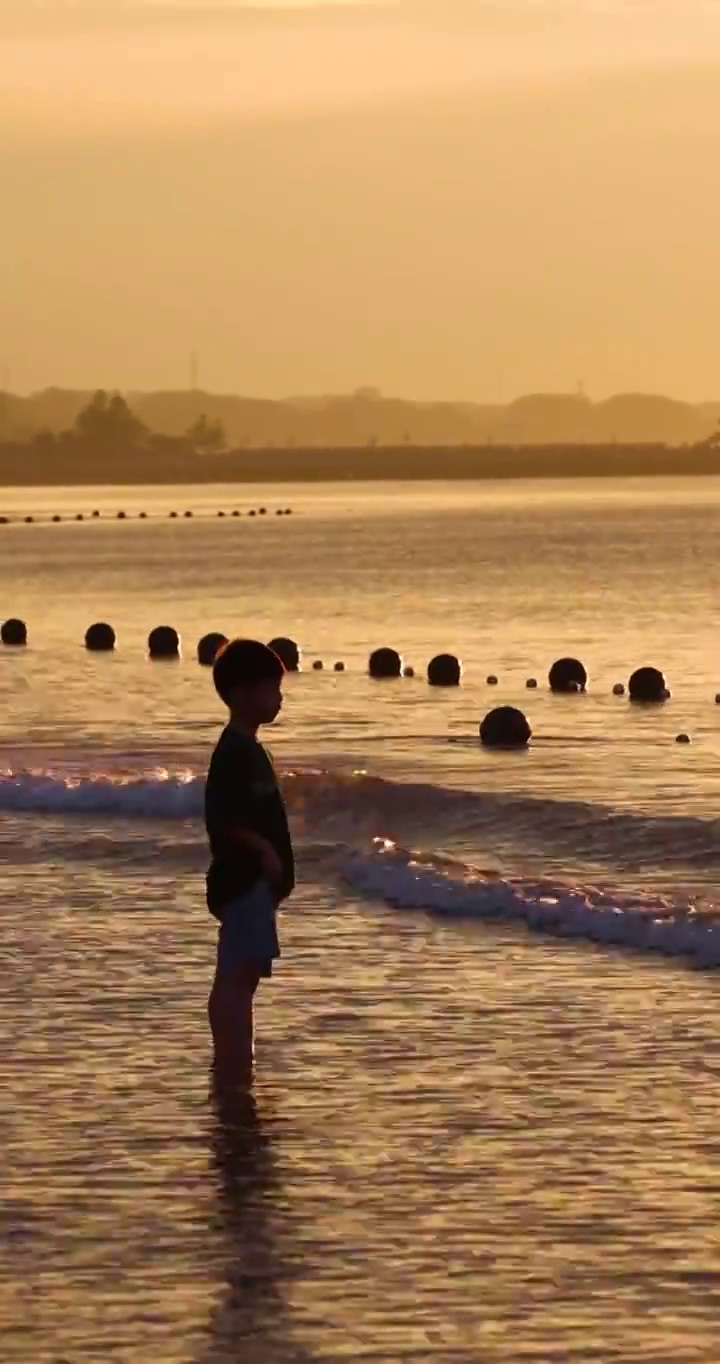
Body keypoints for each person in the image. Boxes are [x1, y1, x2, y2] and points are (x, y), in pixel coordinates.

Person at [205, 639, 295, 1082]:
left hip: (255, 883)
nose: (279, 699)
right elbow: (225, 821)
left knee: (245, 974)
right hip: (243, 880)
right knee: (237, 974)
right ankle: (233, 1060)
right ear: (242, 694)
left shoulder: (250, 749)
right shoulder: (233, 753)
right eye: (271, 689)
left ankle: (238, 1056)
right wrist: (263, 853)